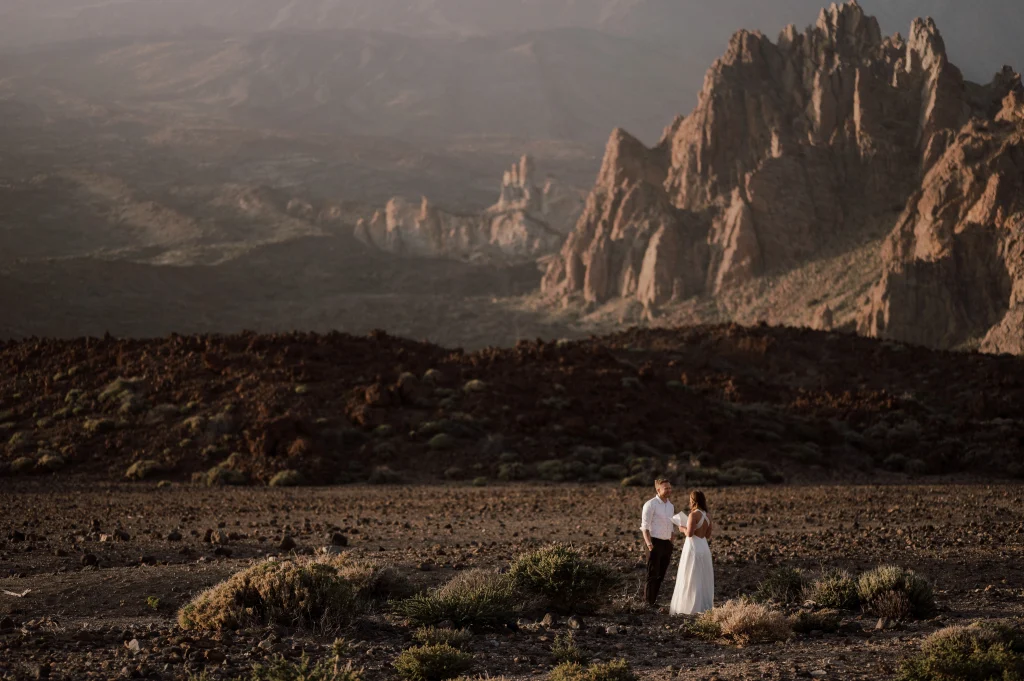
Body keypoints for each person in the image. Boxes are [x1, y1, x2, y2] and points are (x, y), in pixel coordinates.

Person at [669, 490, 715, 615]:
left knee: (690, 574)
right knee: (702, 576)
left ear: (693, 501)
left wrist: (681, 528)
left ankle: (689, 607)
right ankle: (704, 606)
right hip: (703, 546)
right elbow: (708, 534)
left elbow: (689, 534)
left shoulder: (693, 515)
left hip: (693, 546)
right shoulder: (708, 515)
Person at [640, 478, 676, 606]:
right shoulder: (650, 504)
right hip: (654, 542)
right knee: (652, 574)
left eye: (670, 488)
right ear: (658, 489)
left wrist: (672, 540)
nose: (669, 490)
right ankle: (647, 603)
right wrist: (649, 544)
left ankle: (653, 601)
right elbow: (645, 526)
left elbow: (671, 524)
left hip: (667, 543)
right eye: (666, 488)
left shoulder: (670, 506)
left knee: (661, 574)